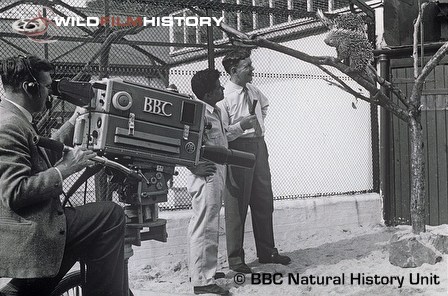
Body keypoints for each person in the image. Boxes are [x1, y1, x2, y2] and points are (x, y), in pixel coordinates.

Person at [0, 55, 125, 296]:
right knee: (110, 215)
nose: (50, 94)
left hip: (29, 221)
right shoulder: (9, 125)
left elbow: (41, 151)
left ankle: (23, 290)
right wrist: (65, 169)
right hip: (31, 227)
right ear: (30, 87)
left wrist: (75, 119)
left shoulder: (13, 118)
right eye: (47, 87)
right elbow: (14, 192)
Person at [217, 49, 291, 274]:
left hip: (259, 146)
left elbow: (265, 106)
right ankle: (236, 259)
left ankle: (267, 251)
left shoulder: (254, 90)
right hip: (238, 150)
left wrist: (258, 123)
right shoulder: (223, 98)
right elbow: (222, 134)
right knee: (237, 204)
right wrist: (242, 126)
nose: (252, 69)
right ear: (233, 71)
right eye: (247, 66)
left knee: (263, 199)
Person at [187, 69, 229, 296]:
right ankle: (203, 281)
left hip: (215, 173)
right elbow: (183, 141)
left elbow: (221, 136)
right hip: (206, 176)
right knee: (205, 226)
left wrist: (241, 127)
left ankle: (203, 270)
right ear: (208, 93)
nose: (222, 88)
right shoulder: (198, 113)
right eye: (218, 86)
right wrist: (192, 166)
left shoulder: (215, 111)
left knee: (205, 224)